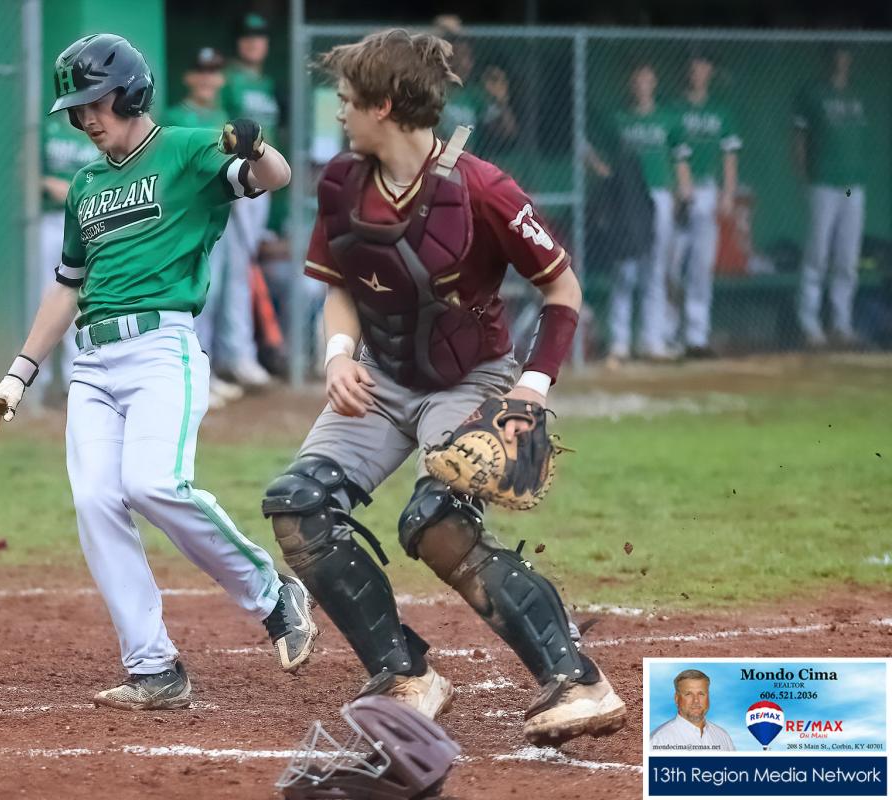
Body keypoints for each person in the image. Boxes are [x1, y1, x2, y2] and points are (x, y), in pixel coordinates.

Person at [262, 29, 626, 747]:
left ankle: (577, 681)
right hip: (381, 378)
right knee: (298, 507)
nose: (339, 111)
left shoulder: (483, 189)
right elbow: (339, 289)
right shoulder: (342, 183)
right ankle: (405, 677)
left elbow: (563, 290)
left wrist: (531, 389)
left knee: (436, 522)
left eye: (347, 100)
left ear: (384, 106)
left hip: (470, 379)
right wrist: (338, 356)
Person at [0, 34, 315, 710]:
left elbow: (275, 177)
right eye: (76, 110)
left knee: (154, 483)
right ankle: (153, 668)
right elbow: (66, 286)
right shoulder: (84, 185)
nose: (85, 119)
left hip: (162, 349)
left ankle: (273, 595)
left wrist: (256, 146)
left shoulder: (187, 150)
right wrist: (19, 373)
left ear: (131, 93)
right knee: (96, 502)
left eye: (94, 103)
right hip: (92, 362)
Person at [588, 63, 690, 364]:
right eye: (637, 80)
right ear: (630, 84)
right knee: (625, 269)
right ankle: (619, 342)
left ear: (654, 83)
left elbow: (679, 160)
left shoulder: (668, 119)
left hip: (659, 194)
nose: (642, 85)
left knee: (655, 268)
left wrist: (682, 191)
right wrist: (606, 177)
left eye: (647, 80)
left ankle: (651, 340)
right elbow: (599, 156)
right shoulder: (618, 120)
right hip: (628, 198)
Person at [163, 47, 245, 409]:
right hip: (186, 218)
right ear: (189, 77)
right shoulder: (174, 116)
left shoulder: (224, 117)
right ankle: (188, 378)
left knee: (214, 297)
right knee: (192, 300)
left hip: (218, 214)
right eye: (201, 70)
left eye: (214, 71)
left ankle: (204, 374)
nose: (207, 78)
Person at [218, 12, 281, 388]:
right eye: (247, 36)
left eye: (259, 36)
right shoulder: (229, 80)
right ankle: (235, 353)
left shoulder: (268, 84)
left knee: (244, 268)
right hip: (239, 178)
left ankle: (238, 352)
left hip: (265, 181)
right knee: (235, 271)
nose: (254, 42)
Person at [794, 45, 868, 349]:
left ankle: (841, 324)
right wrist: (804, 178)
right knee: (818, 253)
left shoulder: (855, 95)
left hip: (851, 185)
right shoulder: (813, 93)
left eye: (846, 55)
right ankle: (809, 324)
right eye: (837, 54)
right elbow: (799, 139)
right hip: (823, 183)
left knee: (847, 257)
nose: (842, 60)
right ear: (828, 59)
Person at [669, 54, 741, 359]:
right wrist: (677, 189)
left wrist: (729, 193)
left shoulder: (720, 112)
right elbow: (670, 152)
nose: (698, 73)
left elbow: (729, 154)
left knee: (701, 267)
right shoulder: (673, 109)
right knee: (671, 266)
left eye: (703, 67)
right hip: (677, 192)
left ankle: (696, 336)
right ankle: (668, 335)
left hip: (707, 191)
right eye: (693, 67)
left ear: (710, 71)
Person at [37, 102, 100, 398]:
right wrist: (47, 182)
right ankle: (36, 383)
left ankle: (76, 382)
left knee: (81, 303)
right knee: (44, 297)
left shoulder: (101, 128)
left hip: (88, 223)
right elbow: (24, 169)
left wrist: (76, 190)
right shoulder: (44, 129)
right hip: (48, 220)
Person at [650, 669, 736, 750]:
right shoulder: (658, 740)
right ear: (676, 698)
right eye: (688, 694)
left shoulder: (723, 736)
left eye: (701, 694)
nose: (696, 700)